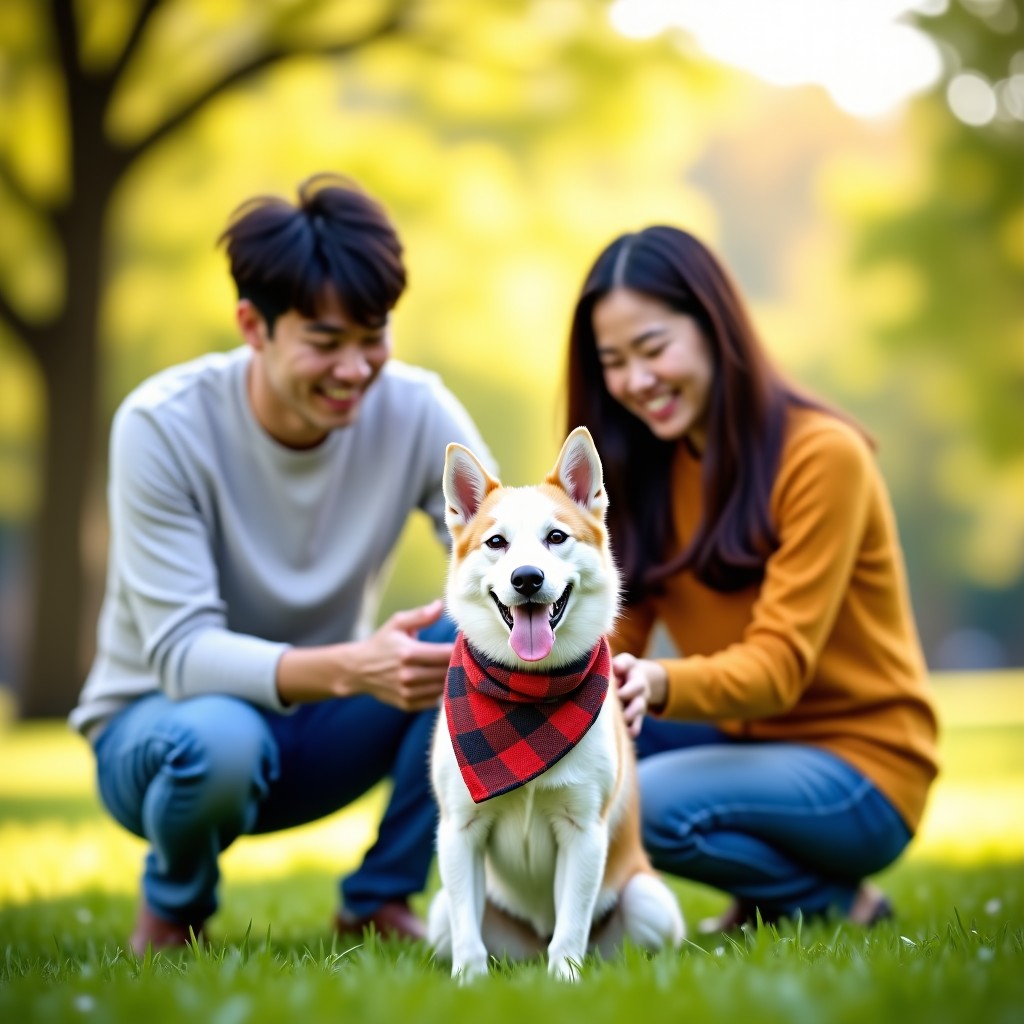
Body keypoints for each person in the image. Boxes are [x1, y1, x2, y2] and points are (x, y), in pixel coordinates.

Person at [69, 174, 492, 954]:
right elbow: (180, 653)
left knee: (481, 651)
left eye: (374, 337)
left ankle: (380, 898)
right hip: (164, 731)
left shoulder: (416, 408)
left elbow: (507, 551)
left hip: (322, 733)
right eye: (326, 344)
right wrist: (352, 668)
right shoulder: (162, 426)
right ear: (252, 326)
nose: (357, 370)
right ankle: (175, 906)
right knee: (222, 740)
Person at [564, 225, 939, 931]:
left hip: (861, 763)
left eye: (653, 348)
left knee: (645, 800)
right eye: (613, 361)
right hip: (741, 740)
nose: (636, 381)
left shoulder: (823, 457)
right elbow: (612, 633)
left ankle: (830, 901)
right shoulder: (645, 467)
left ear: (713, 327)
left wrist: (661, 681)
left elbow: (780, 668)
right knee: (569, 748)